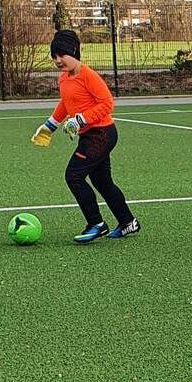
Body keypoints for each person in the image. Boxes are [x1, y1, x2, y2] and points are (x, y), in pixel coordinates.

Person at [33, 29, 138, 243]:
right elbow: (66, 103)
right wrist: (49, 126)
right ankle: (128, 222)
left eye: (62, 54)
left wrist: (80, 119)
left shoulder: (88, 75)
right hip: (89, 136)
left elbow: (107, 103)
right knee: (103, 182)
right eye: (54, 56)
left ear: (74, 52)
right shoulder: (64, 78)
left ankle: (96, 224)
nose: (57, 60)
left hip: (101, 134)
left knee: (74, 175)